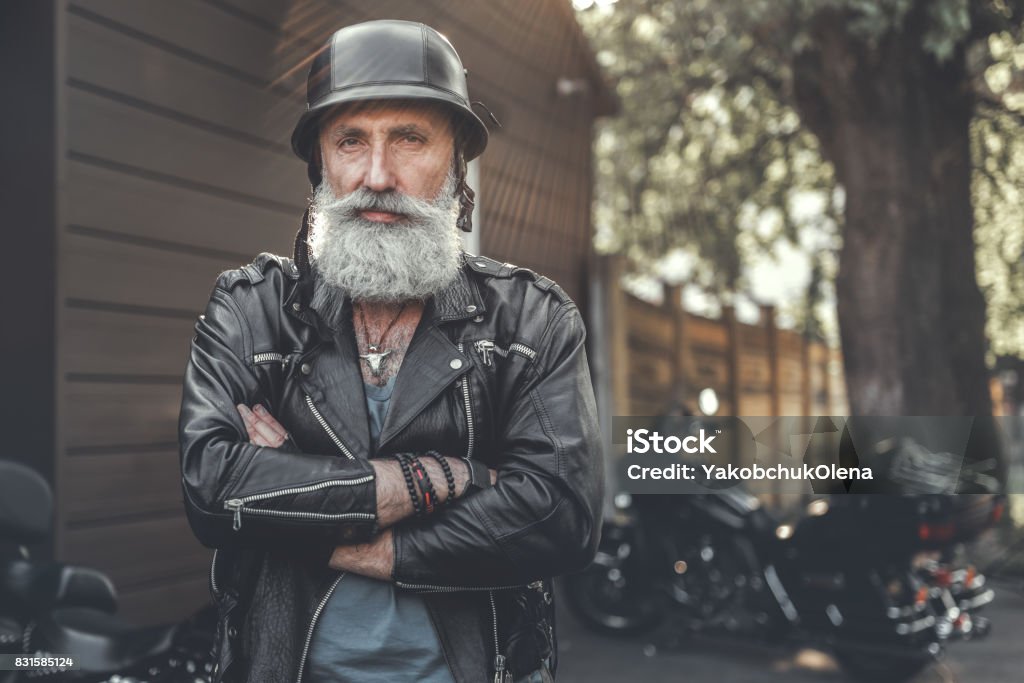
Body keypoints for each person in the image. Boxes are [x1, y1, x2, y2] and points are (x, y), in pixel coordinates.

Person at [178, 19, 604, 683]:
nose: (377, 174)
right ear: (321, 162)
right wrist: (446, 476)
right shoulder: (252, 308)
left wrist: (300, 501)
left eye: (409, 138)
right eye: (351, 139)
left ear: (455, 162)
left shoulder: (534, 320)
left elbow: (560, 516)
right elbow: (211, 489)